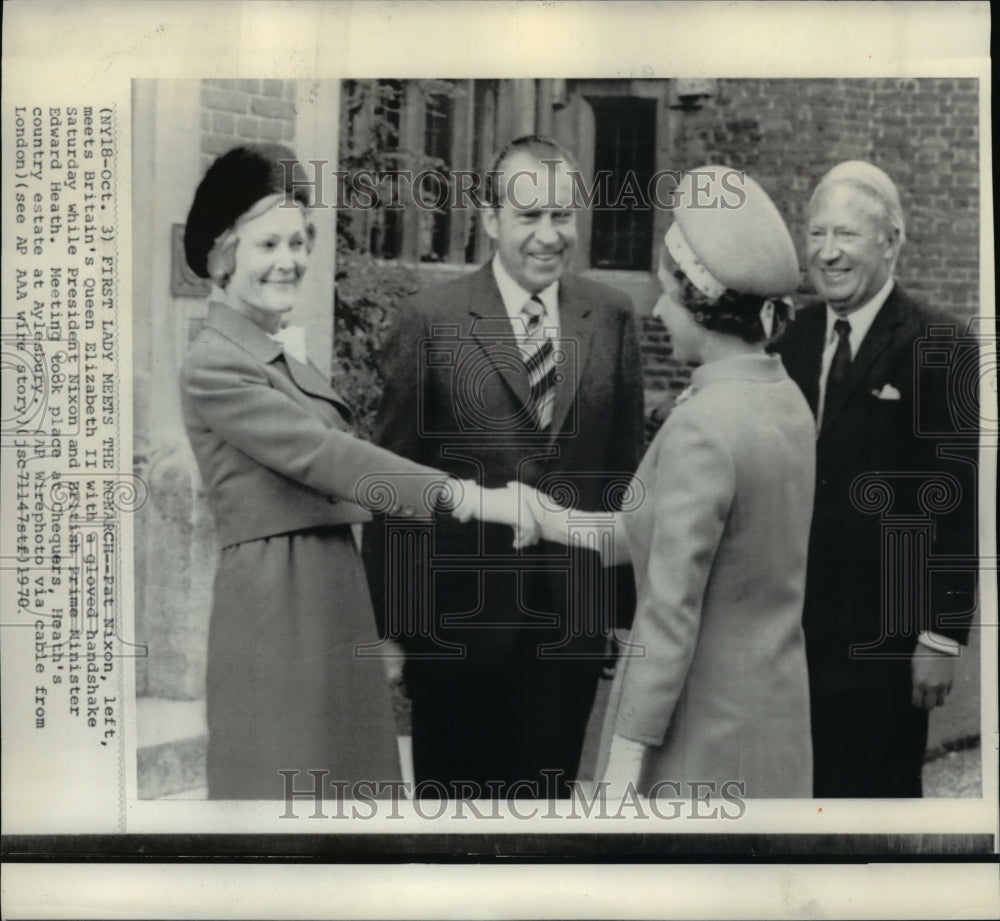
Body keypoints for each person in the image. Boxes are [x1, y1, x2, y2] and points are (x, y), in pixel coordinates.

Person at [180, 144, 530, 799]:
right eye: (267, 245)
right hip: (277, 608)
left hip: (328, 588)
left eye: (298, 240)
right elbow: (328, 456)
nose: (290, 260)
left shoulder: (271, 354)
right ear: (224, 254)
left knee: (346, 804)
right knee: (287, 806)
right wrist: (473, 499)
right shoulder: (214, 363)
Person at [523, 165, 816, 798]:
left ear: (705, 307)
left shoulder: (702, 427)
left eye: (670, 294)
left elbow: (668, 612)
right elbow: (657, 534)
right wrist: (548, 518)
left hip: (695, 740)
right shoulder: (785, 399)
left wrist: (624, 767)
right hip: (772, 726)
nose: (657, 309)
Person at [365, 136, 645, 799]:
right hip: (455, 634)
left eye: (561, 216)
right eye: (529, 217)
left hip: (567, 636)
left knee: (543, 837)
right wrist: (393, 634)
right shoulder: (431, 320)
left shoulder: (610, 317)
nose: (549, 235)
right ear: (490, 219)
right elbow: (396, 484)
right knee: (453, 844)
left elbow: (624, 474)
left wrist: (620, 618)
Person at [773, 161, 977, 797]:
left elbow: (958, 502)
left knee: (875, 811)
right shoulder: (792, 339)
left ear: (891, 241)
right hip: (790, 639)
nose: (827, 253)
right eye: (816, 234)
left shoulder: (940, 342)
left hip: (886, 647)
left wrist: (941, 636)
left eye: (847, 236)